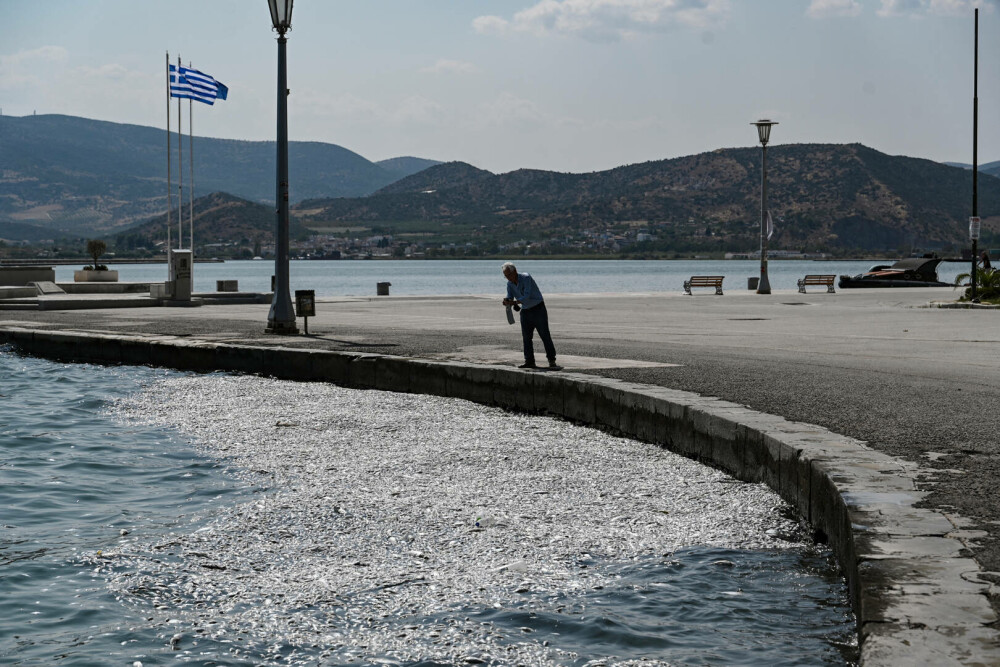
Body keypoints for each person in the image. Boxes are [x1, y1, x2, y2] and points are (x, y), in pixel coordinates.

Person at [501, 262, 557, 369]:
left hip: (538, 309)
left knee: (545, 335)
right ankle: (529, 361)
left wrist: (514, 303)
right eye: (506, 276)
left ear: (515, 271)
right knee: (526, 338)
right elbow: (510, 296)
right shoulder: (510, 284)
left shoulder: (526, 278)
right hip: (525, 311)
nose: (508, 278)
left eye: (509, 275)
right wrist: (507, 301)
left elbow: (527, 296)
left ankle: (552, 361)